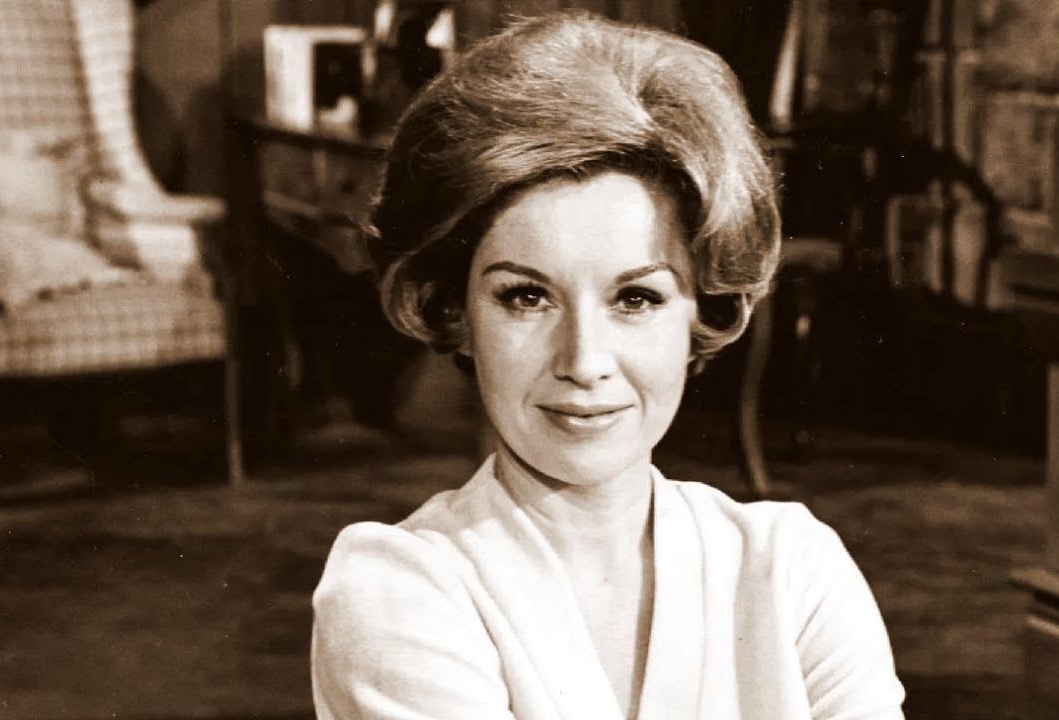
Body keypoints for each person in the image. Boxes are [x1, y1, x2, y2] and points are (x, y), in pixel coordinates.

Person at [311, 10, 905, 719]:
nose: (585, 361)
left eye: (636, 298)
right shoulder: (398, 589)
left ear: (702, 312)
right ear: (455, 312)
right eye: (526, 297)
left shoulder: (793, 570)